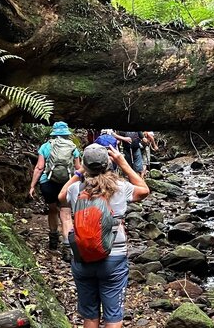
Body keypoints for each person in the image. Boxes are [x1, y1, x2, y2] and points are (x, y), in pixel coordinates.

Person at [58, 144, 149, 328]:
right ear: (108, 164)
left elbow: (61, 197)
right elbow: (144, 190)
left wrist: (80, 172)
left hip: (83, 256)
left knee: (90, 316)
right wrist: (123, 163)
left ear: (85, 165)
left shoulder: (76, 189)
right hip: (113, 258)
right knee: (113, 316)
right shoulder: (120, 187)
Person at [29, 121, 81, 254]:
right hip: (67, 183)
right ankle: (68, 247)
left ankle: (53, 241)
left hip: (48, 183)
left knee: (52, 209)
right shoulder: (73, 148)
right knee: (66, 213)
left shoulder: (45, 147)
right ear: (67, 134)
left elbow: (39, 167)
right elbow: (78, 169)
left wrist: (32, 186)